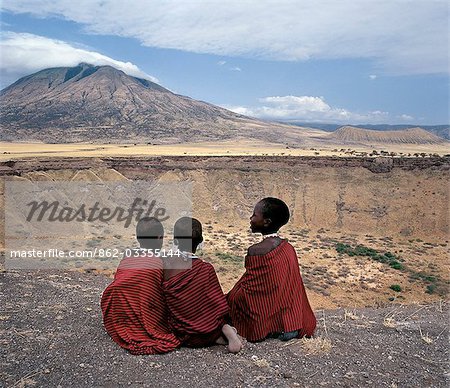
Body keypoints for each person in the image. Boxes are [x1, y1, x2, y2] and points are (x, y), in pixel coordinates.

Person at [227, 197, 316, 342]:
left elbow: (250, 292)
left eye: (254, 215)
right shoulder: (288, 248)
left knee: (233, 300)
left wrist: (230, 299)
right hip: (293, 325)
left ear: (266, 221)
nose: (251, 218)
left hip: (271, 330)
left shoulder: (256, 250)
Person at [100, 217, 180, 355]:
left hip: (116, 315)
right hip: (146, 315)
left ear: (138, 238)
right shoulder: (161, 263)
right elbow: (166, 295)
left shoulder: (127, 258)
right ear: (159, 238)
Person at [162, 217, 242, 353]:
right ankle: (225, 331)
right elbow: (218, 304)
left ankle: (217, 335)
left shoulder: (166, 265)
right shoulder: (206, 268)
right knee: (220, 310)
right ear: (200, 241)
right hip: (208, 331)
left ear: (175, 240)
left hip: (182, 334)